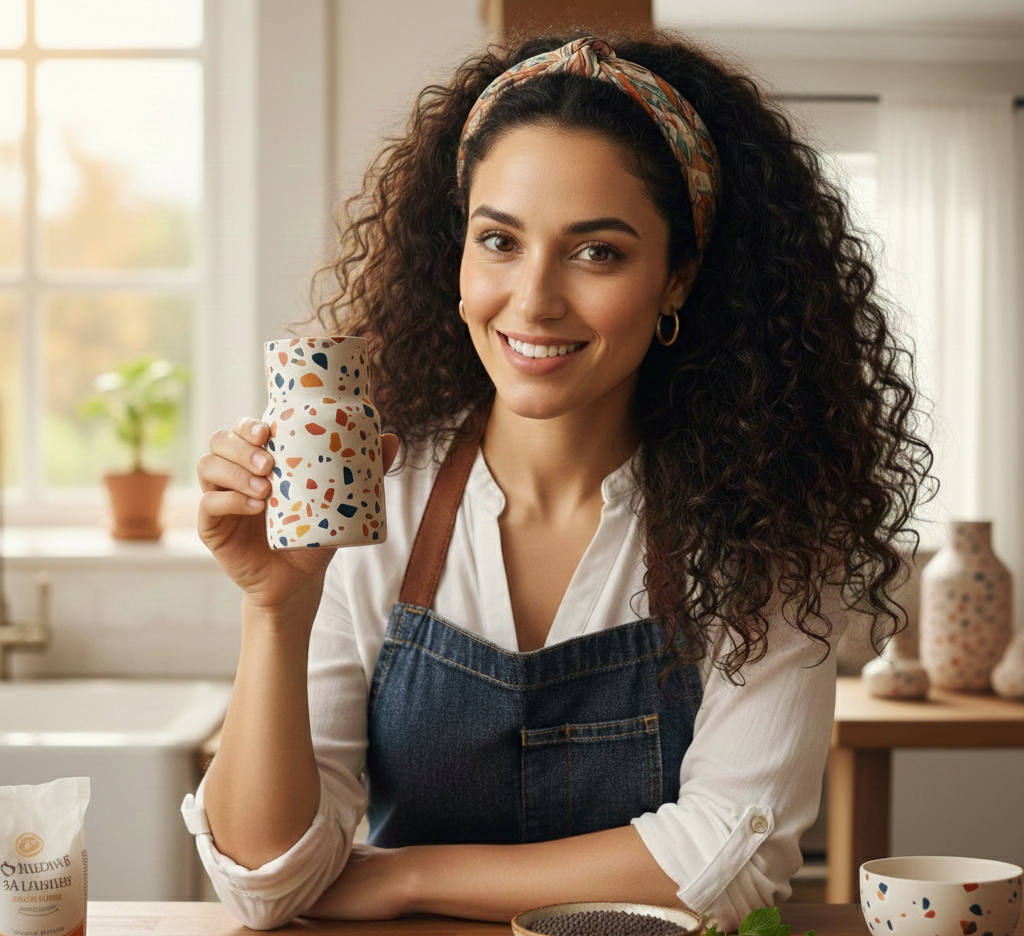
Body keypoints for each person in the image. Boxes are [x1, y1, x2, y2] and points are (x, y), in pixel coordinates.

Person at [181, 29, 934, 931]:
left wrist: (406, 878)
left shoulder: (764, 524)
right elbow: (266, 882)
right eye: (499, 239)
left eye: (597, 252)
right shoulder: (376, 491)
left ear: (676, 280)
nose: (533, 299)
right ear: (454, 258)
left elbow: (731, 857)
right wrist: (276, 608)